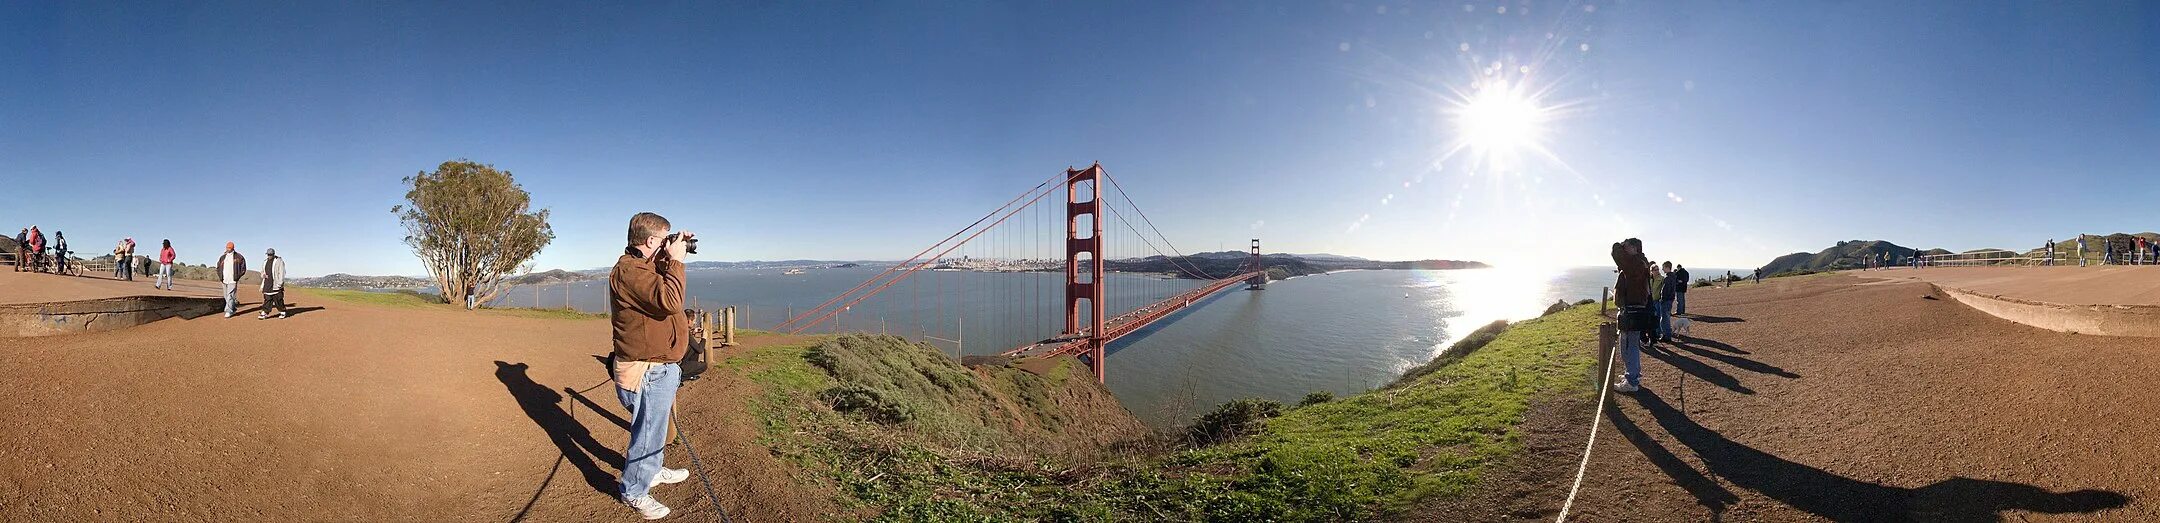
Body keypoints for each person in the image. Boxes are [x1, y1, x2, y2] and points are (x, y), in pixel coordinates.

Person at [609, 212, 696, 519]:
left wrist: (674, 250)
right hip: (646, 370)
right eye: (663, 239)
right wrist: (676, 261)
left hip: (658, 367)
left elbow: (661, 280)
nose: (667, 245)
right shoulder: (629, 272)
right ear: (649, 241)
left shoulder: (643, 266)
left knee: (655, 429)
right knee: (647, 431)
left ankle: (653, 469)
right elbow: (670, 301)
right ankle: (633, 490)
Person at [1610, 239, 1651, 394]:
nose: (1624, 249)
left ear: (1634, 248)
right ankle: (1633, 375)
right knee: (1631, 344)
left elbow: (1617, 254)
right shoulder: (1640, 262)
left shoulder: (1636, 263)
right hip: (1635, 307)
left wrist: (1618, 245)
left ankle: (1631, 381)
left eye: (1626, 247)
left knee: (1628, 346)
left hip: (1632, 308)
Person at [217, 242, 246, 318]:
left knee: (230, 295)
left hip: (233, 280)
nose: (227, 249)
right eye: (227, 247)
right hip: (224, 279)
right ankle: (233, 309)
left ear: (232, 248)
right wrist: (220, 276)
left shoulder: (239, 257)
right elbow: (218, 267)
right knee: (226, 296)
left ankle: (228, 311)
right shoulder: (222, 257)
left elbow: (243, 268)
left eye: (229, 247)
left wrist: (237, 276)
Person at [258, 248, 287, 319]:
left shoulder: (279, 261)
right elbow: (262, 272)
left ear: (274, 254)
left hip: (276, 284)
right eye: (268, 254)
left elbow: (282, 272)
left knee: (278, 299)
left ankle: (282, 311)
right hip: (267, 283)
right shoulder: (265, 262)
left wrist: (280, 283)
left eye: (270, 254)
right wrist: (263, 275)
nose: (269, 256)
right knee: (267, 299)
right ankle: (265, 312)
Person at [1654, 261, 1678, 343]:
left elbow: (1665, 290)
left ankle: (1667, 336)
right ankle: (1666, 335)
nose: (1662, 269)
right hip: (1669, 300)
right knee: (1665, 318)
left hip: (1666, 300)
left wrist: (1662, 298)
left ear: (1667, 267)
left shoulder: (1667, 278)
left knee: (1664, 319)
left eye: (1663, 267)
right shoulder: (1673, 277)